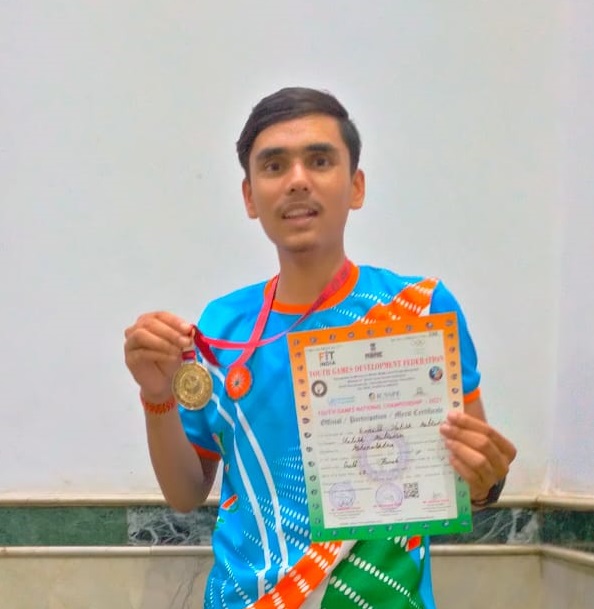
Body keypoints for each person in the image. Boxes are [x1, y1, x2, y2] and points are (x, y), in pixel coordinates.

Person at [124, 87, 517, 609]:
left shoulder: (418, 310)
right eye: (274, 166)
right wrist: (157, 397)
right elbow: (185, 493)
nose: (297, 180)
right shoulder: (221, 328)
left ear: (356, 186)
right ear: (249, 197)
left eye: (319, 160)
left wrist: (488, 482)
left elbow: (471, 483)